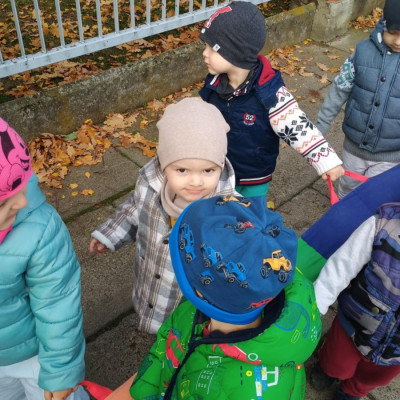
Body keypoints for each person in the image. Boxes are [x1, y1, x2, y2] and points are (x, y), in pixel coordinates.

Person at [129, 195, 322, 399]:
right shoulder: (205, 301)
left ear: (198, 291)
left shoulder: (244, 392)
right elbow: (166, 347)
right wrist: (143, 391)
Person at [89, 97, 237, 334]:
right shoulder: (150, 185)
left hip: (190, 302)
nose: (196, 181)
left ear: (220, 167)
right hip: (152, 281)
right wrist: (110, 234)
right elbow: (135, 208)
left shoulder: (227, 211)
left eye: (208, 170)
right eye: (182, 170)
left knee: (181, 336)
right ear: (163, 164)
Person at [198, 1, 344, 198]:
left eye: (212, 48)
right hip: (218, 173)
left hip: (253, 178)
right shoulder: (213, 85)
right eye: (205, 46)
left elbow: (297, 126)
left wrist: (326, 161)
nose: (204, 53)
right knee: (219, 212)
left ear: (236, 52)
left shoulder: (269, 93)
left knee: (251, 215)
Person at [0, 118, 88, 400]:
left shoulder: (39, 228)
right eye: (5, 201)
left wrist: (61, 370)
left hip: (32, 355)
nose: (22, 202)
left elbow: (58, 303)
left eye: (21, 187)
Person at [310, 201, 400, 400]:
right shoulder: (383, 224)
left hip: (395, 353)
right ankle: (327, 370)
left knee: (372, 378)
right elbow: (342, 266)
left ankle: (351, 391)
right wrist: (316, 305)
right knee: (336, 360)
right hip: (354, 323)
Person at [316, 0, 400, 198]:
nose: (398, 41)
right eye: (393, 33)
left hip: (391, 152)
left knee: (373, 194)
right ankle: (343, 211)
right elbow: (339, 91)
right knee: (347, 187)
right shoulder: (361, 53)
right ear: (384, 24)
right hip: (354, 147)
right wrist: (319, 128)